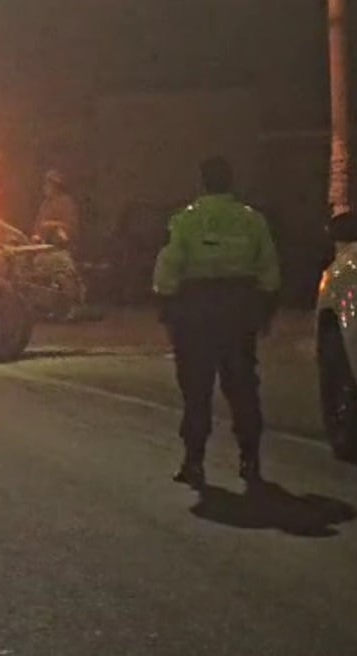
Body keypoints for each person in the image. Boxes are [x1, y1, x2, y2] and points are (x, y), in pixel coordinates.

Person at [153, 156, 281, 487]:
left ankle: (193, 463)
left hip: (195, 315)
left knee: (196, 391)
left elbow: (169, 268)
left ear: (203, 182)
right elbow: (269, 270)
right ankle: (250, 460)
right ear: (230, 182)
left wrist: (165, 304)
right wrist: (264, 309)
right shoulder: (252, 221)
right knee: (242, 389)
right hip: (238, 314)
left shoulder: (186, 221)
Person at [34, 169, 81, 252]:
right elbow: (38, 224)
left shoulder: (66, 203)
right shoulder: (45, 204)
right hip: (44, 247)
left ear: (56, 187)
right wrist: (37, 235)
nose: (45, 187)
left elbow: (71, 227)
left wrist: (53, 225)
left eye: (48, 185)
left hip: (61, 248)